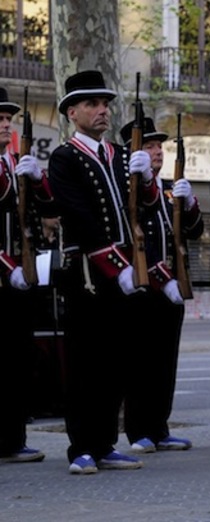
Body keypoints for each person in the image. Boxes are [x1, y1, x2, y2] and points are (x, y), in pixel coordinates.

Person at [48, 70, 160, 474]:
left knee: (116, 361)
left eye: (105, 104)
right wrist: (117, 266)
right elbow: (78, 216)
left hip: (125, 273)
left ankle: (105, 443)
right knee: (84, 363)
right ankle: (81, 447)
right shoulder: (64, 157)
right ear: (72, 112)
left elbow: (145, 207)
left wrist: (147, 178)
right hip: (88, 276)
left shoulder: (119, 155)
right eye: (92, 104)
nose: (102, 111)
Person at [118, 117, 204, 453]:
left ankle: (160, 427)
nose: (157, 152)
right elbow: (132, 237)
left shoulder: (170, 187)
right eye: (149, 146)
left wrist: (191, 204)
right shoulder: (127, 186)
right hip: (143, 287)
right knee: (139, 362)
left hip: (172, 287)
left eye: (160, 147)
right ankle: (138, 430)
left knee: (165, 362)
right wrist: (160, 276)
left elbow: (193, 233)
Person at [0, 86, 51, 464]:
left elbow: (44, 212)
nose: (5, 124)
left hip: (20, 277)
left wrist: (36, 180)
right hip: (4, 275)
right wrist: (8, 268)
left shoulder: (15, 162)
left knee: (18, 361)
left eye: (7, 119)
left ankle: (12, 439)